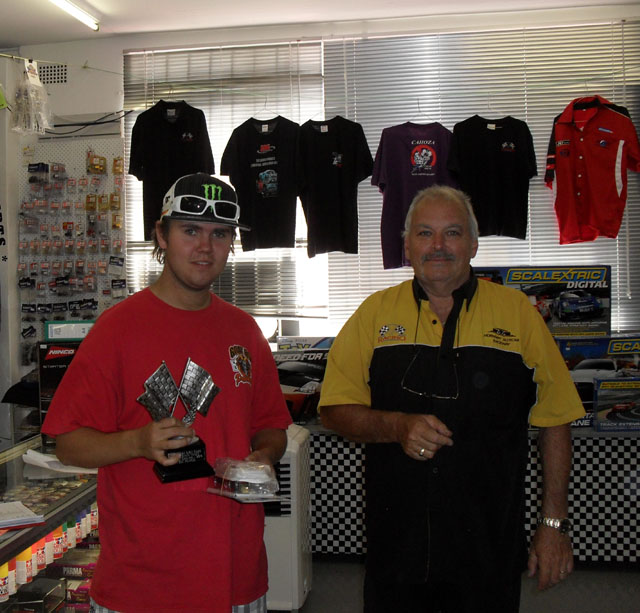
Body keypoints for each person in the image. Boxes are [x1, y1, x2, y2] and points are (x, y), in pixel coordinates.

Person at [318, 185, 585, 613]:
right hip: (397, 553)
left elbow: (557, 419)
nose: (438, 246)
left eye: (453, 233)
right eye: (425, 233)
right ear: (406, 244)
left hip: (488, 552)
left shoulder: (518, 314)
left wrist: (553, 525)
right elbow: (333, 410)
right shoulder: (373, 315)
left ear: (474, 243)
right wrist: (396, 427)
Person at [42, 173, 292, 613]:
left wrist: (264, 457)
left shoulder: (245, 331)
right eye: (190, 230)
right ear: (161, 234)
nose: (205, 247)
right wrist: (137, 442)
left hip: (238, 574)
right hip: (142, 585)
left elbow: (271, 425)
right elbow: (67, 444)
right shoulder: (115, 330)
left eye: (220, 235)